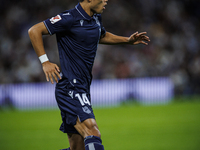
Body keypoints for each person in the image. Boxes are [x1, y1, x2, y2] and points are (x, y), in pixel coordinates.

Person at [28, 0, 150, 149]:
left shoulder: (96, 18)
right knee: (92, 131)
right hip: (70, 87)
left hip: (82, 86)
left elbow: (101, 35)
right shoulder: (69, 18)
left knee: (77, 148)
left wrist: (127, 40)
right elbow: (34, 30)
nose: (106, 1)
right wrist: (45, 62)